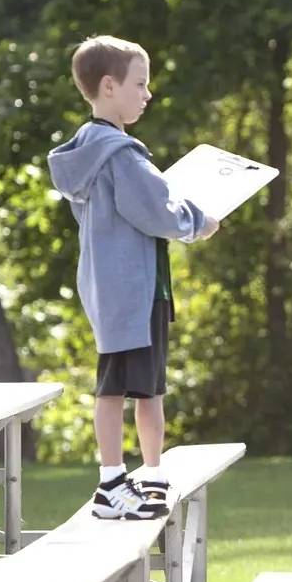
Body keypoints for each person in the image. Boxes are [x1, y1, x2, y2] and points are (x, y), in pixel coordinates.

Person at [48, 35, 219, 520]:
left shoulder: (96, 151)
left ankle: (152, 476)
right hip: (130, 293)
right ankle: (110, 485)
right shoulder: (118, 154)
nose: (147, 94)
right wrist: (198, 222)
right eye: (140, 84)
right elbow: (156, 210)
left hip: (137, 288)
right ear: (108, 86)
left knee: (147, 387)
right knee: (115, 389)